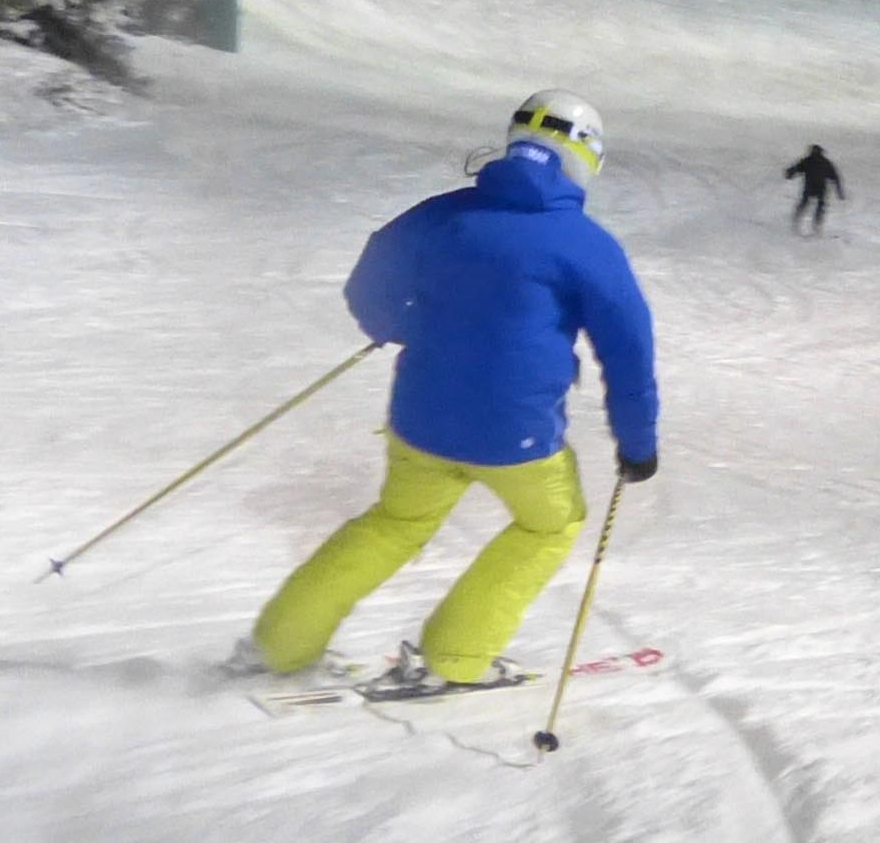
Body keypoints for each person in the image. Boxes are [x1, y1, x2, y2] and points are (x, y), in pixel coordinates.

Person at [237, 90, 660, 695]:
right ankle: (455, 658)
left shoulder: (442, 214)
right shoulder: (585, 244)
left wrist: (398, 327)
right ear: (585, 158)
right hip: (518, 434)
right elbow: (629, 351)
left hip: (421, 419)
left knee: (395, 522)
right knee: (550, 524)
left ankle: (279, 646)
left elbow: (370, 279)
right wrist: (637, 443)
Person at [783, 144, 846, 235]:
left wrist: (789, 173)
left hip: (809, 187)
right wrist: (840, 192)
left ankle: (796, 219)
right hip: (821, 188)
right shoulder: (826, 163)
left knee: (804, 203)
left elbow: (796, 168)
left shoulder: (808, 161)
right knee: (820, 205)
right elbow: (835, 177)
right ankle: (817, 225)